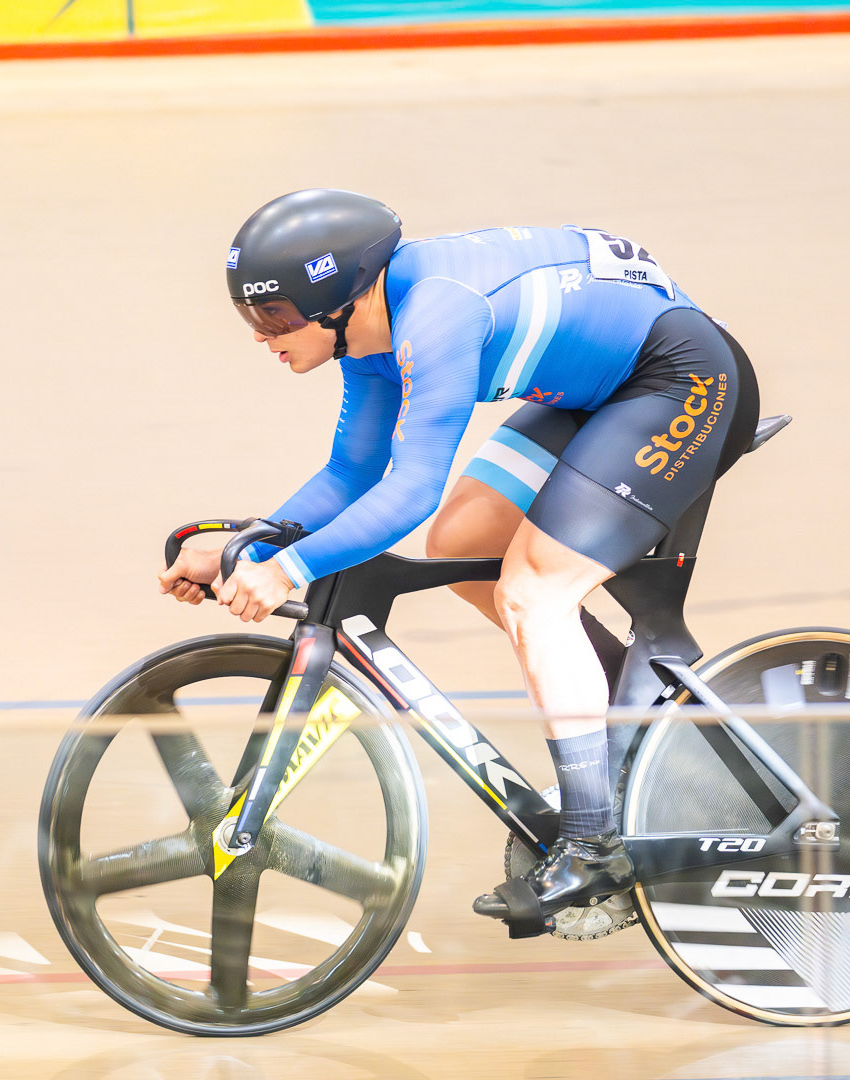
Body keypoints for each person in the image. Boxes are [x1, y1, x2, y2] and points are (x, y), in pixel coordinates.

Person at [159, 188, 760, 925]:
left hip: (681, 379)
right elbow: (353, 473)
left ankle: (595, 842)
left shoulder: (436, 315)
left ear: (339, 299)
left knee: (534, 593)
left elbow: (410, 489)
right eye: (251, 317)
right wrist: (252, 544)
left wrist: (288, 569)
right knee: (461, 546)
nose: (261, 336)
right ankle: (627, 729)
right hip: (602, 391)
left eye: (275, 316)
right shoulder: (370, 335)